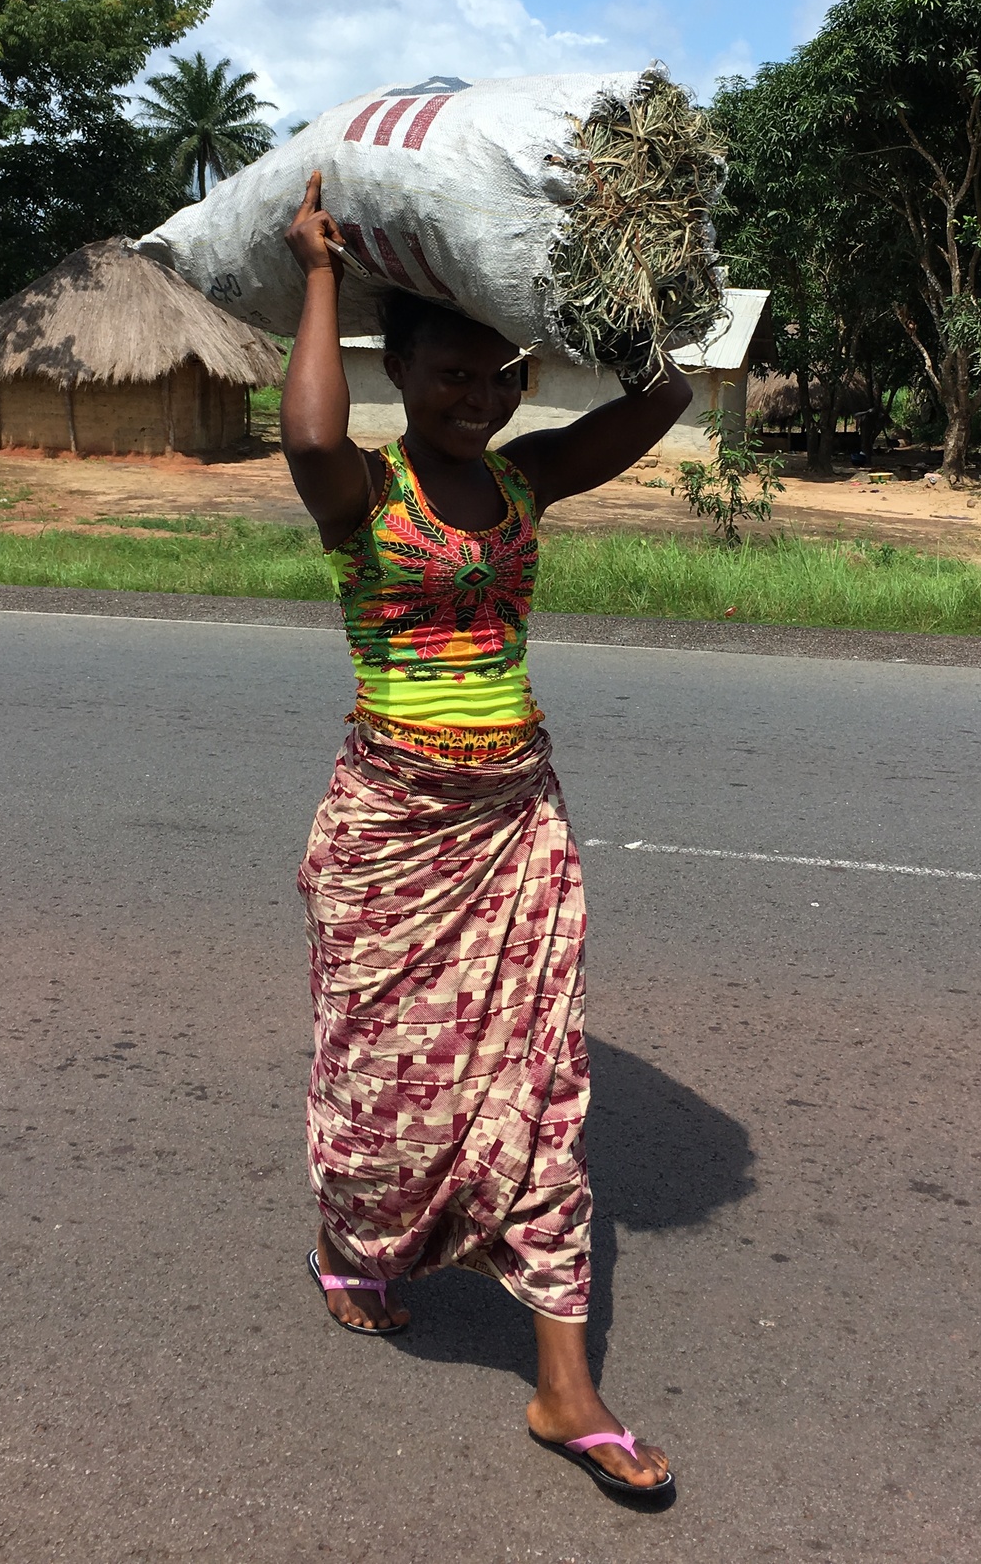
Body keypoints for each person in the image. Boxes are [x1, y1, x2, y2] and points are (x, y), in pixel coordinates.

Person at [281, 171, 692, 1504]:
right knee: (387, 1088)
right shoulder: (360, 495)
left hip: (514, 820)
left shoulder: (524, 482)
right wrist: (321, 270)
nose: (479, 395)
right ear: (394, 371)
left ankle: (565, 1388)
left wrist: (645, 295)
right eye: (450, 372)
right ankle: (355, 1243)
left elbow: (667, 401)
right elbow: (303, 432)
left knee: (542, 1090)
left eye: (499, 375)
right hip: (393, 829)